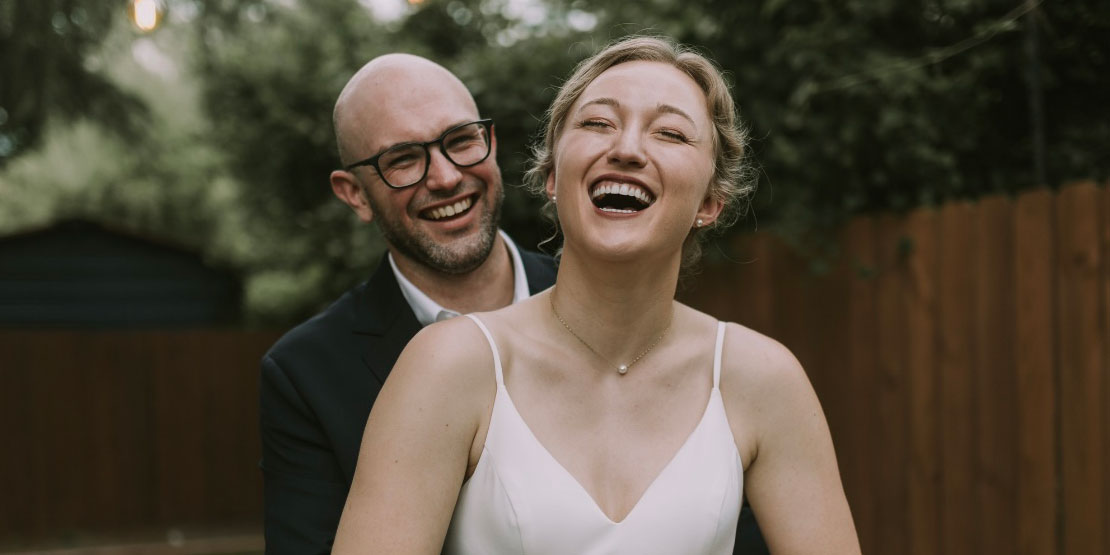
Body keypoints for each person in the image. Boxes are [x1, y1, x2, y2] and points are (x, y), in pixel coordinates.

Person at [333, 36, 859, 554]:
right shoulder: (447, 366)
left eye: (671, 133)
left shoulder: (762, 379)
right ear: (553, 177)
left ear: (711, 201)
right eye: (597, 123)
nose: (626, 149)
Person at [258, 54, 559, 554]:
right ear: (354, 194)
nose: (444, 178)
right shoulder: (305, 375)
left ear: (491, 142)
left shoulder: (600, 306)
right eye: (402, 159)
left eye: (461, 140)